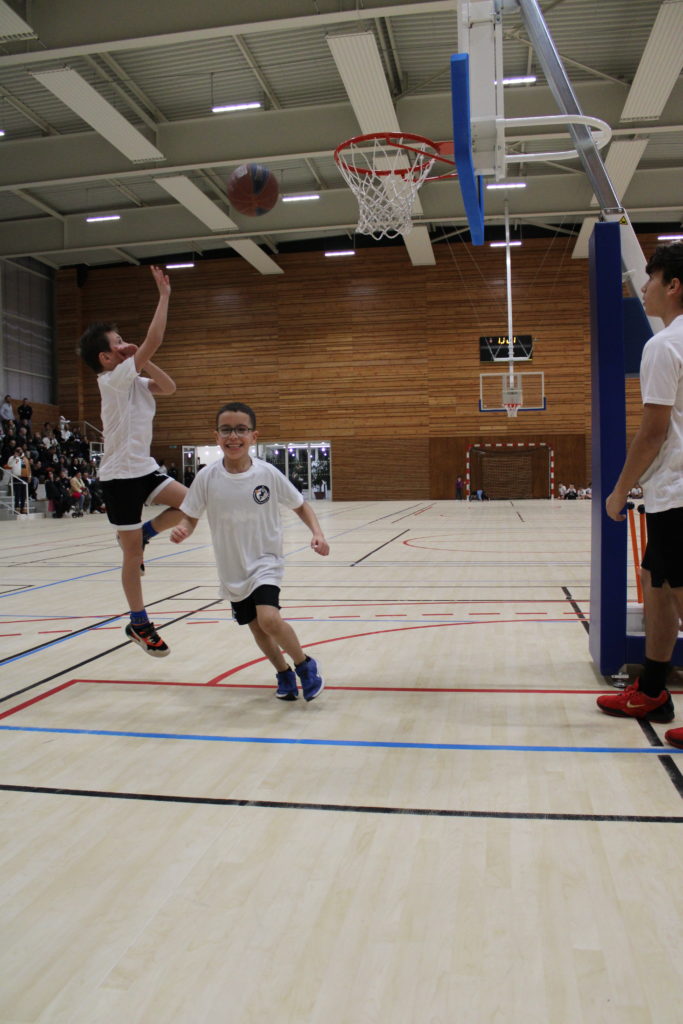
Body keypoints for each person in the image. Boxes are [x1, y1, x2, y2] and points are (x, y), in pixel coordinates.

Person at [171, 401, 329, 701]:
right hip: (232, 568)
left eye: (241, 430)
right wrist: (183, 528)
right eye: (226, 430)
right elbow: (190, 515)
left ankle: (305, 666)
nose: (233, 436)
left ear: (254, 436)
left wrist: (317, 533)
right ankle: (283, 673)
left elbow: (300, 505)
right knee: (256, 628)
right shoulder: (206, 477)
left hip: (266, 562)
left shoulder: (267, 474)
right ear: (216, 436)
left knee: (269, 619)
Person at [596, 242, 683, 749]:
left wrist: (618, 490)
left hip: (677, 491)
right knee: (656, 583)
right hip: (673, 493)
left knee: (677, 592)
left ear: (674, 285)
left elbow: (652, 433)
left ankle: (652, 689)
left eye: (651, 279)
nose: (644, 288)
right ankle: (652, 690)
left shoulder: (665, 345)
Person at [78, 265, 187, 657]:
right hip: (119, 477)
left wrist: (143, 357)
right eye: (118, 342)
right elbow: (154, 340)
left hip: (144, 468)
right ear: (105, 357)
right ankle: (139, 623)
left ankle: (146, 532)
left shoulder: (132, 378)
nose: (125, 345)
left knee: (192, 503)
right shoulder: (112, 380)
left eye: (125, 340)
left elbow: (169, 388)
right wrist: (164, 297)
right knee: (132, 556)